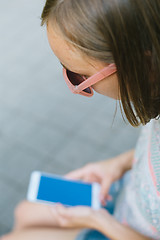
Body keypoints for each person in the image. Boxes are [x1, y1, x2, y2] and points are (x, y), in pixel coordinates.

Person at [2, 0, 160, 239]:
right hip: (129, 198)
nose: (74, 86)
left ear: (144, 63)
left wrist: (99, 222)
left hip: (127, 230)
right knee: (25, 212)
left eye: (80, 76)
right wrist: (118, 164)